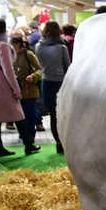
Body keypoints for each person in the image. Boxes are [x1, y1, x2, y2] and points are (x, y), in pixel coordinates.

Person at [0, 19, 40, 157]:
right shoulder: (3, 46)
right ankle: (27, 144)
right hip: (4, 87)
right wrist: (16, 89)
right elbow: (9, 71)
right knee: (18, 115)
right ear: (3, 30)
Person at [36, 21, 70, 154]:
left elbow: (40, 65)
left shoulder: (39, 46)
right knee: (64, 114)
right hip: (61, 83)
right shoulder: (62, 47)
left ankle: (58, 142)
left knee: (52, 115)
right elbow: (68, 66)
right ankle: (65, 140)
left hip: (46, 82)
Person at [10, 34, 42, 144]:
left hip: (29, 91)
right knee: (19, 116)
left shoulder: (29, 55)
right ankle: (24, 135)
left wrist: (33, 77)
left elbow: (39, 69)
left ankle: (30, 137)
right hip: (15, 91)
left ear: (18, 44)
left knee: (29, 115)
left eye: (13, 44)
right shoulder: (10, 56)